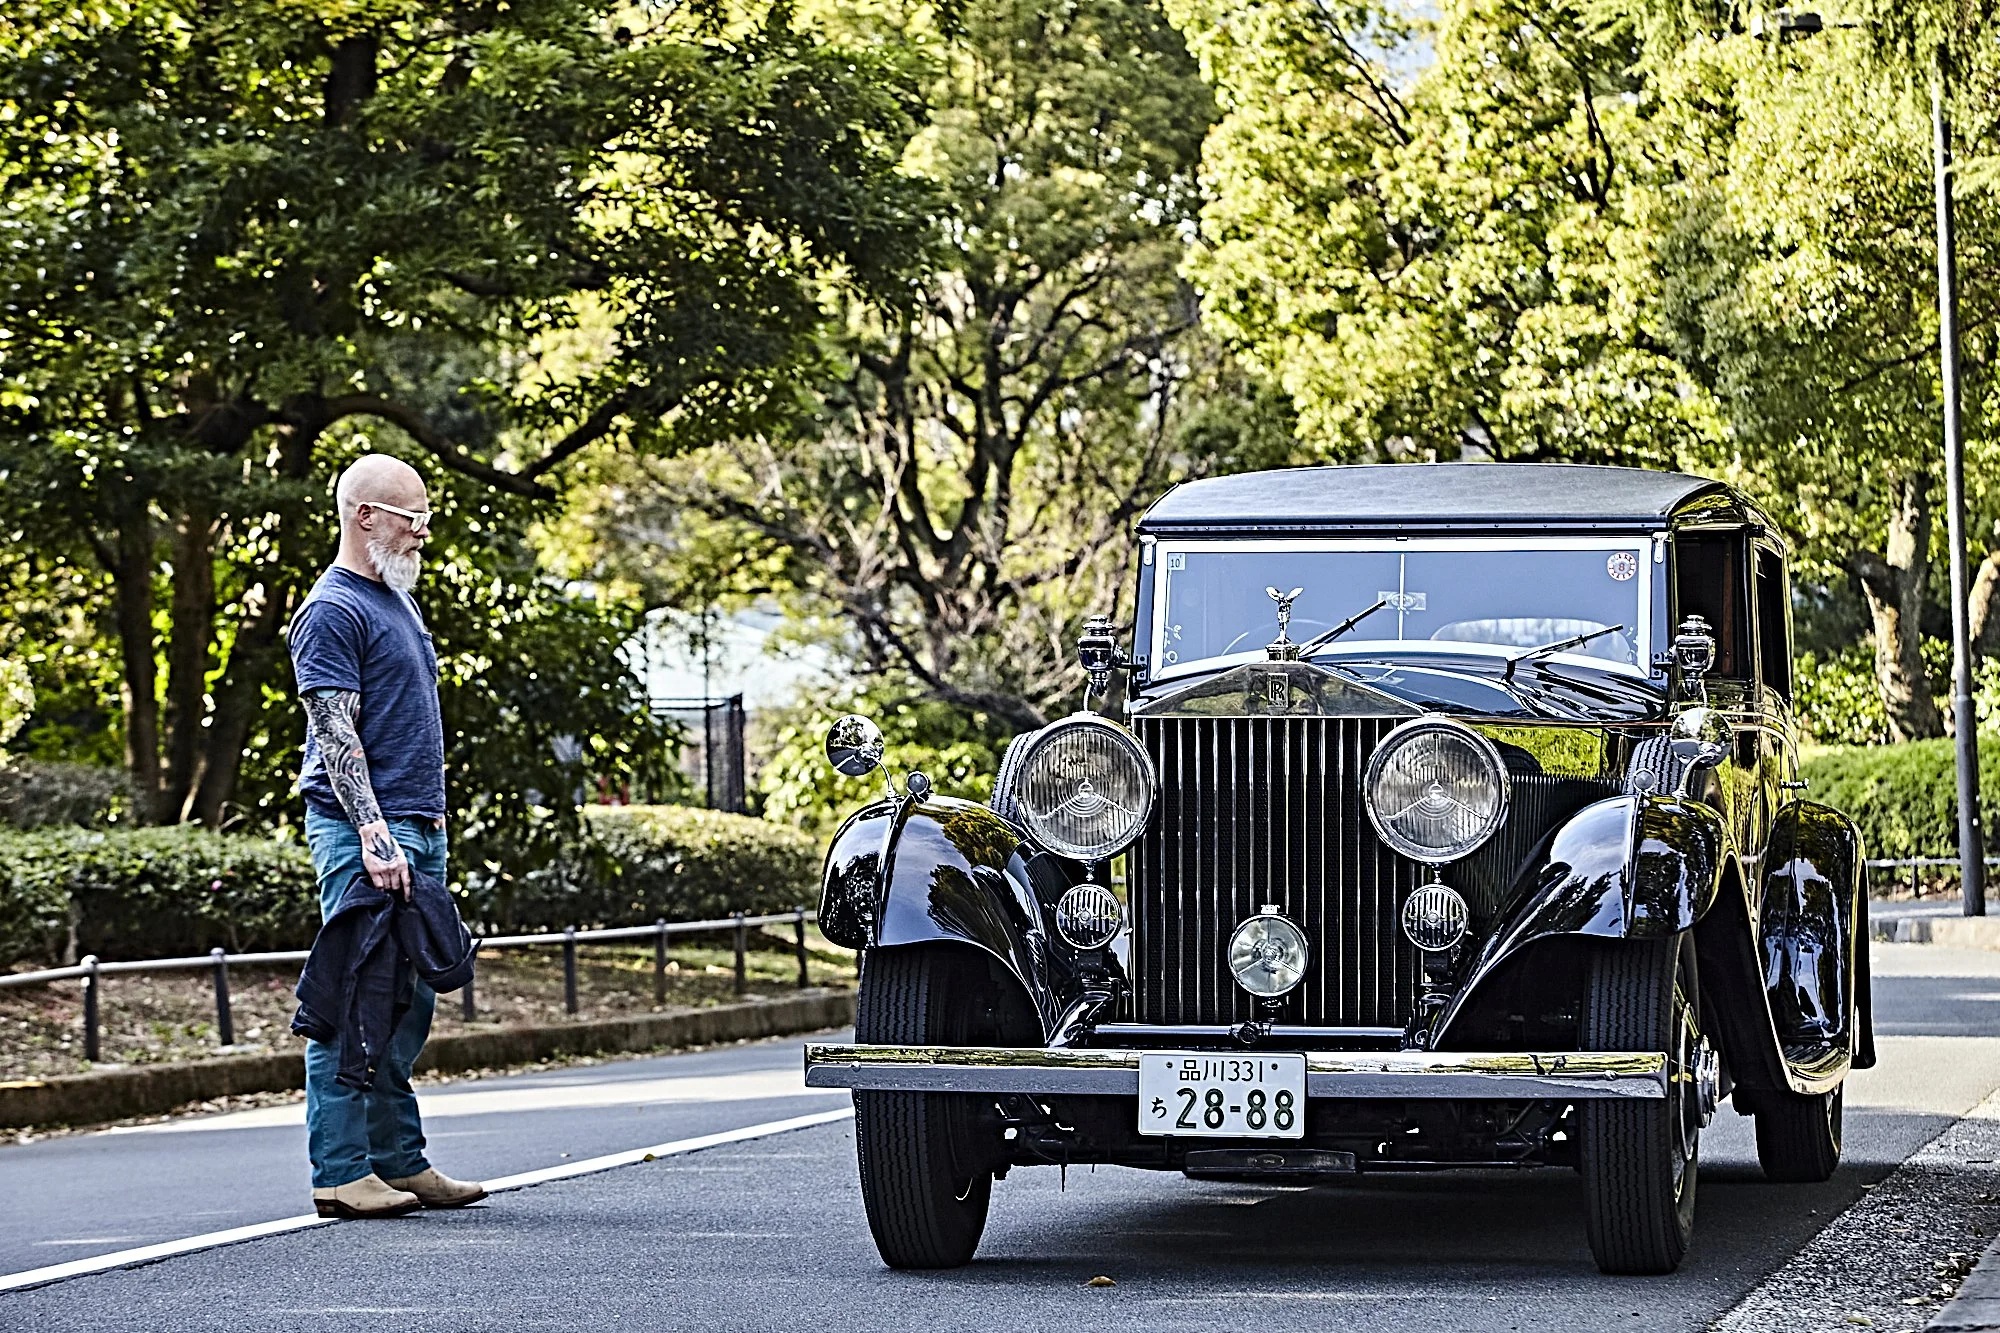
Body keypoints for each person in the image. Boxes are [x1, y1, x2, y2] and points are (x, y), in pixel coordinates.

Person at [288, 453, 486, 1220]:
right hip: (365, 832)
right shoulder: (333, 608)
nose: (424, 532)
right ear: (363, 514)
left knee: (405, 1006)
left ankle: (399, 1161)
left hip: (416, 829)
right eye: (412, 517)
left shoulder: (396, 601)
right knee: (352, 997)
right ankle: (339, 1171)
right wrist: (373, 831)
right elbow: (335, 731)